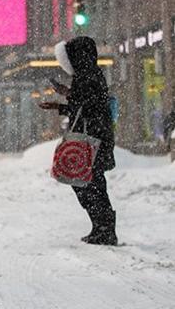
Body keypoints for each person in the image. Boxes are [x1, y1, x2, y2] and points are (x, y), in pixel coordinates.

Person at [39, 36, 117, 245]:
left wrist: (62, 104)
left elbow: (89, 107)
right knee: (89, 183)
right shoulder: (89, 74)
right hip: (94, 138)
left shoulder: (87, 76)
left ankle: (105, 228)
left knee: (88, 183)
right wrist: (66, 97)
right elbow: (86, 104)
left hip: (92, 139)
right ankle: (102, 226)